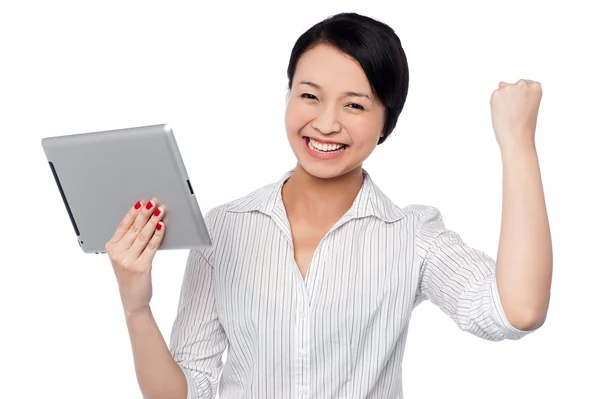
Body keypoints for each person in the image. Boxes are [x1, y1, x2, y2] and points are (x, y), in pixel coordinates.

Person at [105, 12, 552, 399]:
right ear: (288, 96)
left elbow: (516, 311)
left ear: (385, 124)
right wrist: (136, 305)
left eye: (354, 105)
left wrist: (517, 143)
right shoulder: (226, 227)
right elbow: (186, 391)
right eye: (309, 95)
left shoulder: (412, 235)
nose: (325, 122)